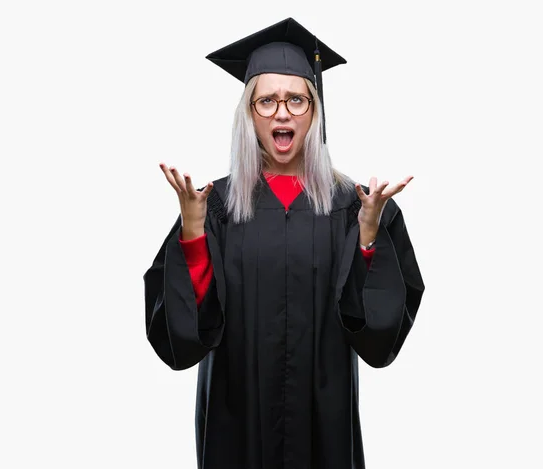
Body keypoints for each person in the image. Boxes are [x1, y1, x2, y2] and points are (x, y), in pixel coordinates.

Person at [143, 17, 425, 469]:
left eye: (296, 99)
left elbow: (377, 337)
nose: (282, 112)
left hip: (324, 423)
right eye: (266, 101)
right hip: (237, 421)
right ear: (249, 115)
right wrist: (193, 235)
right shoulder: (214, 209)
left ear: (314, 111)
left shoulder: (353, 208)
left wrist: (368, 238)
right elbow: (184, 338)